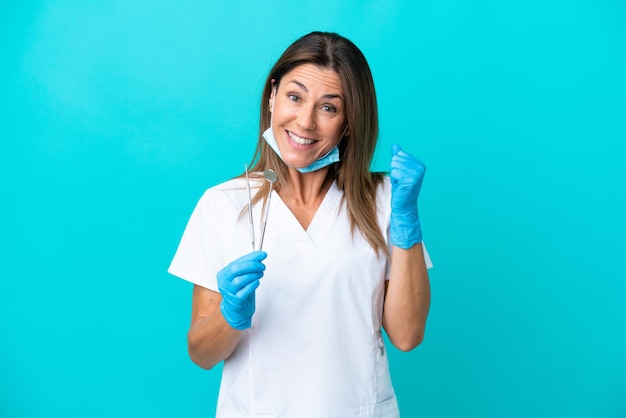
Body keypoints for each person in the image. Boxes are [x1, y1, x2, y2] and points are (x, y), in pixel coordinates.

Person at [168, 31, 432, 418]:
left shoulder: (385, 201)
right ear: (272, 96)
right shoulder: (222, 205)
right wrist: (230, 316)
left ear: (349, 122)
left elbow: (407, 336)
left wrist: (407, 224)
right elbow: (202, 354)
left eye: (329, 108)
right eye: (295, 97)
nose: (305, 122)